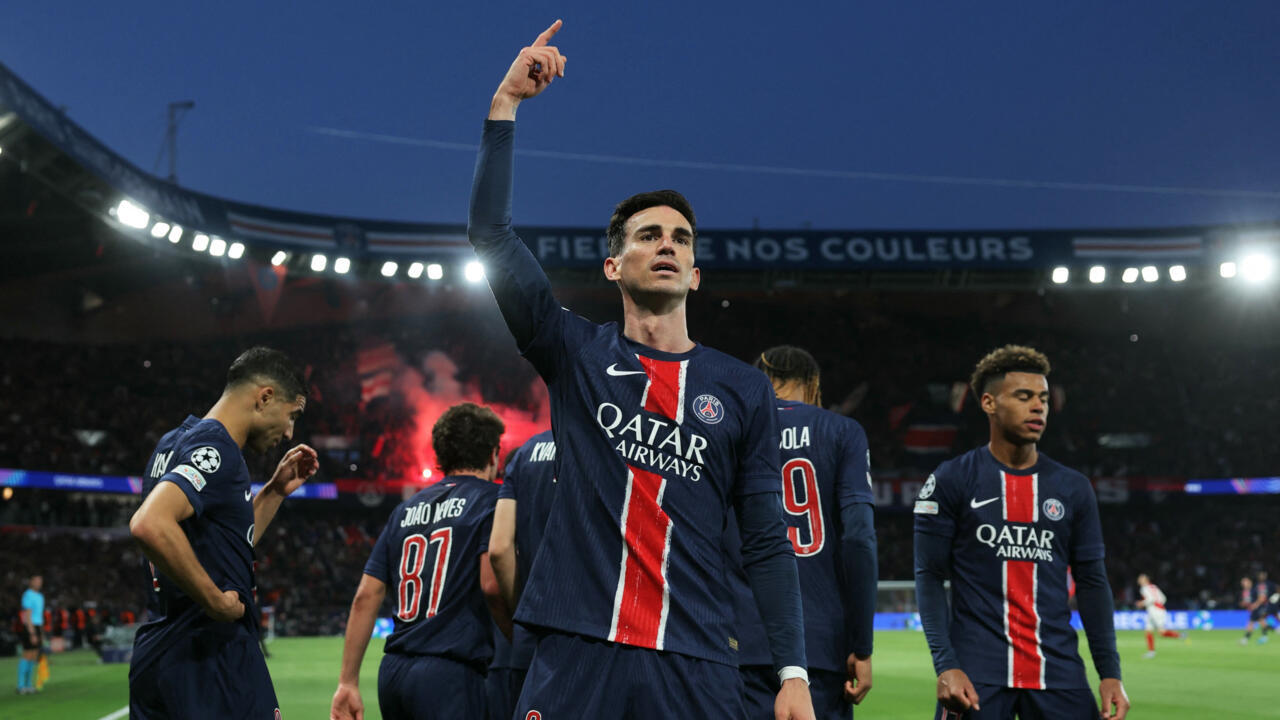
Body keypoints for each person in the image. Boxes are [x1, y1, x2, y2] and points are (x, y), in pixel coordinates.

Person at [468, 20, 813, 719]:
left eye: (681, 239)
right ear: (612, 265)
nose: (667, 246)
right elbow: (491, 237)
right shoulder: (573, 351)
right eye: (649, 235)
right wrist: (505, 105)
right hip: (577, 651)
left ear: (695, 274)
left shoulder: (742, 388)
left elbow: (765, 540)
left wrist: (794, 671)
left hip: (696, 661)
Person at [913, 345, 1129, 719]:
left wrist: (1110, 672)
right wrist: (945, 664)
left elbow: (1092, 582)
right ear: (989, 403)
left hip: (1058, 671)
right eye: (1024, 396)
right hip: (975, 675)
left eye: (1043, 398)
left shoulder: (1073, 488)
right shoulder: (952, 479)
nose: (1038, 407)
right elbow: (929, 575)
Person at [128, 347, 318, 719]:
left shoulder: (171, 443)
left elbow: (221, 546)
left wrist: (274, 492)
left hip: (160, 653)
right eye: (292, 415)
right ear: (265, 397)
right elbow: (150, 523)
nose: (289, 432)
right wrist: (215, 600)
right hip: (210, 657)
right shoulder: (218, 449)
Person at [330, 403, 511, 720]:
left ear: (441, 454)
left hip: (394, 673)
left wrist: (347, 681)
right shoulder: (492, 501)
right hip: (450, 672)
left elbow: (365, 596)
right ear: (493, 453)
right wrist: (518, 638)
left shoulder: (404, 510)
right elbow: (492, 586)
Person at [733, 346, 877, 719]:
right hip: (819, 645)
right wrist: (862, 645)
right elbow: (859, 537)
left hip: (737, 640)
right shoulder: (843, 431)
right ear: (813, 384)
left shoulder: (731, 429)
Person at [486, 429, 557, 720]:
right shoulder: (600, 440)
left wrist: (523, 613)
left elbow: (499, 548)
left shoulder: (526, 452)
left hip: (529, 636)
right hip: (584, 635)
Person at [1134, 574, 1181, 658]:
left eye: (1141, 579)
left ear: (1145, 580)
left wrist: (1141, 603)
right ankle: (1151, 652)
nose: (1139, 580)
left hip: (1155, 611)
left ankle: (1180, 635)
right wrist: (1159, 604)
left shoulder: (1144, 588)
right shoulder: (1154, 587)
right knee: (1148, 631)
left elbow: (1151, 599)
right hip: (1157, 610)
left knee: (1162, 632)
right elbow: (1164, 598)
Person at [16, 575, 44, 695]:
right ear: (31, 582)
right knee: (27, 654)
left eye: (40, 581)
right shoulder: (28, 595)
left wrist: (40, 632)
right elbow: (27, 615)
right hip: (29, 626)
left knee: (33, 656)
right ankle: (20, 685)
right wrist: (32, 632)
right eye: (36, 581)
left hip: (37, 626)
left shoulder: (40, 596)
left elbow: (39, 615)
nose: (39, 583)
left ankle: (28, 684)